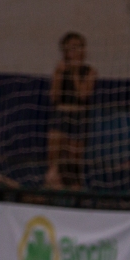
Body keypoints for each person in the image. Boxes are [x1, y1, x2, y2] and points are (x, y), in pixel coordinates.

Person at [46, 32, 97, 189]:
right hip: (61, 114)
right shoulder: (60, 69)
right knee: (54, 156)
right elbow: (54, 97)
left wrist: (74, 72)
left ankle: (75, 189)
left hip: (79, 116)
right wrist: (60, 73)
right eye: (72, 48)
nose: (76, 51)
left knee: (74, 162)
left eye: (79, 47)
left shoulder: (89, 71)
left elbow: (83, 94)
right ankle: (52, 184)